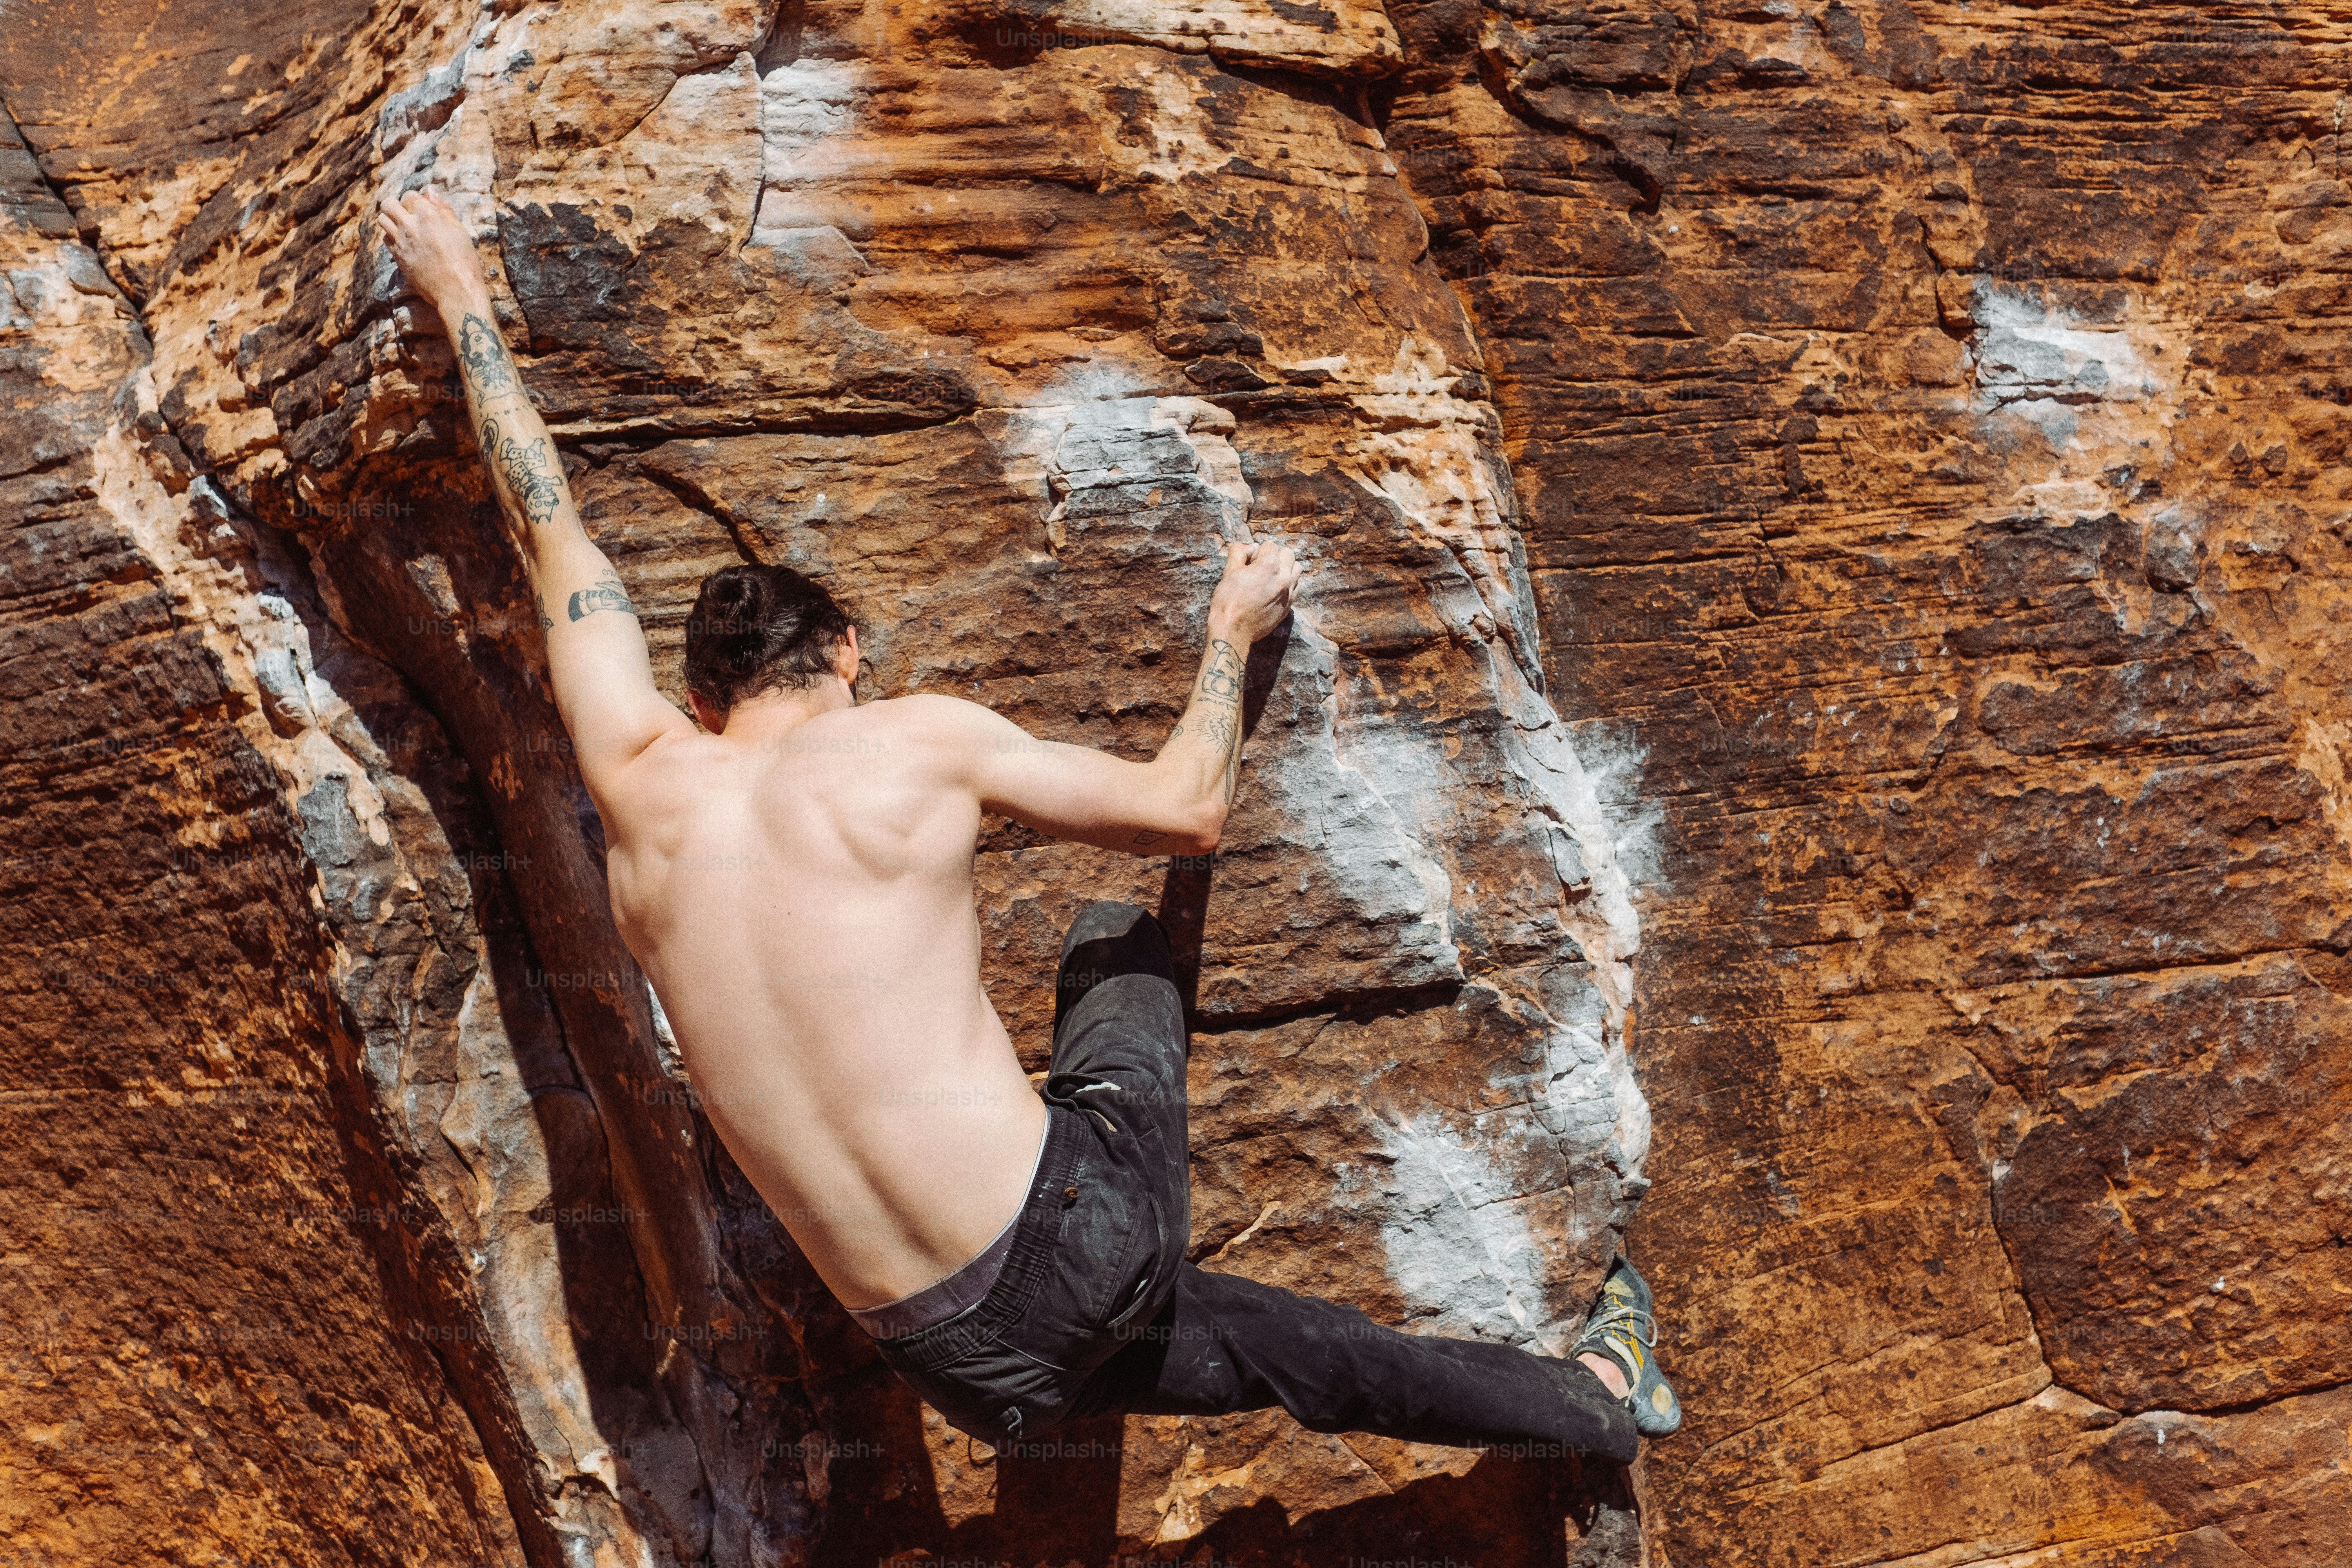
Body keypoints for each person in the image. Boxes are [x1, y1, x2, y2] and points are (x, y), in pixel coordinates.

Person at [374, 188, 1682, 1461]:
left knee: (1291, 1351)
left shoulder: (640, 780)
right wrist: (1229, 637)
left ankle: (1594, 1401)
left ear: (702, 698)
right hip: (1075, 1248)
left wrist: (456, 294)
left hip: (958, 1365)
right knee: (1114, 945)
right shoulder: (908, 737)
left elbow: (547, 528)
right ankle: (1585, 1389)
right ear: (842, 648)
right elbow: (1187, 810)